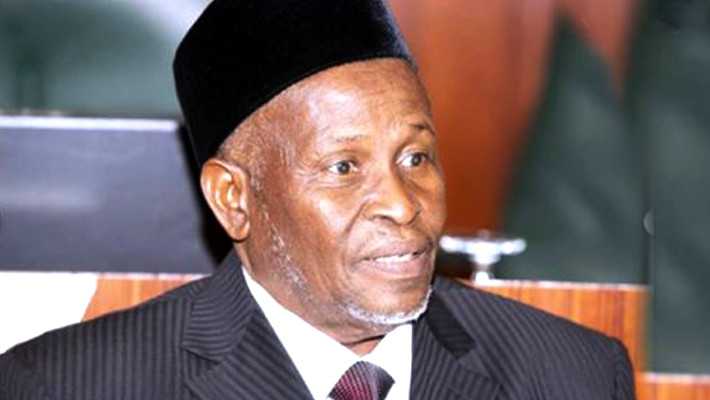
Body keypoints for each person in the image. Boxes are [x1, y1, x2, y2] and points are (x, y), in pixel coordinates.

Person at [0, 1, 635, 399]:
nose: (402, 204)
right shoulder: (68, 386)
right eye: (344, 167)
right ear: (233, 197)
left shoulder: (571, 375)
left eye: (415, 157)